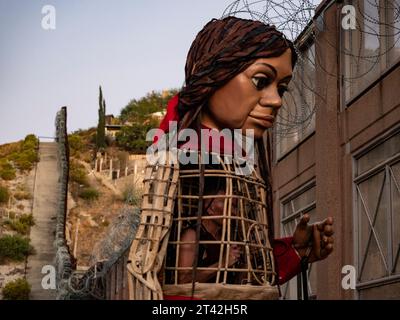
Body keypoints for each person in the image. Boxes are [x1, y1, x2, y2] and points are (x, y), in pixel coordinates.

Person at [128, 16, 334, 300]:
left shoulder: (241, 165)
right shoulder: (182, 154)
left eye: (281, 88)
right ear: (213, 73)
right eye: (260, 81)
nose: (276, 100)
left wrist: (296, 252)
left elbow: (246, 275)